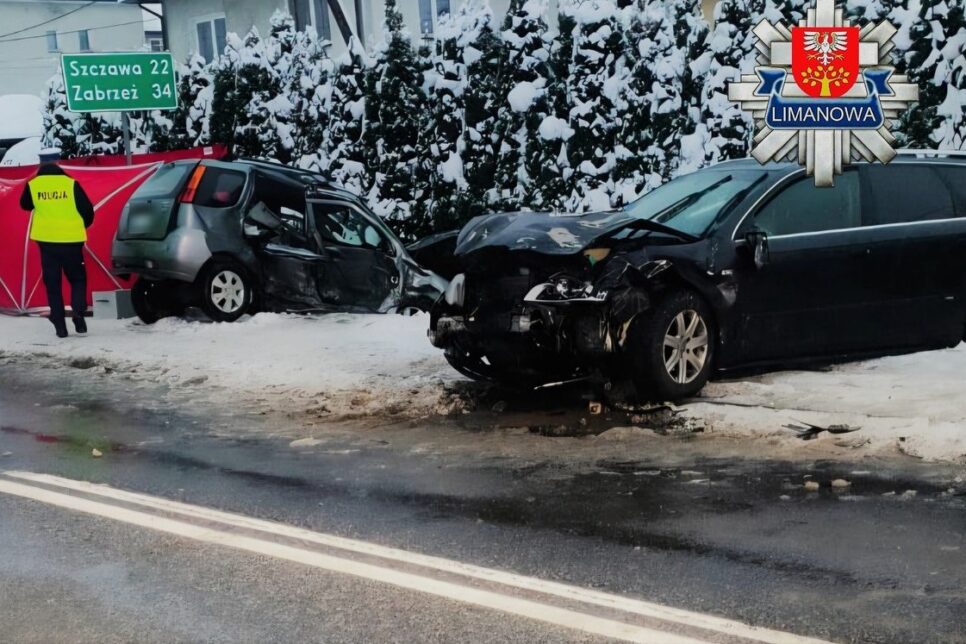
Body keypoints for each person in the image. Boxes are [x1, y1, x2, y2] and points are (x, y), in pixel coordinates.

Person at [19, 148, 95, 338]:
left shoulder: (33, 184)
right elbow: (87, 210)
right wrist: (80, 225)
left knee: (53, 284)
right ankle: (78, 312)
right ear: (59, 164)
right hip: (72, 240)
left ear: (40, 165)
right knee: (77, 279)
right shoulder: (71, 183)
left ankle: (60, 326)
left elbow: (25, 205)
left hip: (46, 242)